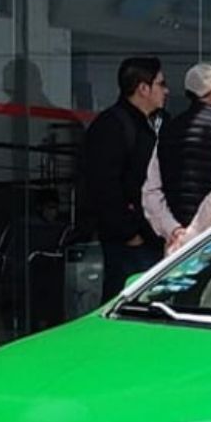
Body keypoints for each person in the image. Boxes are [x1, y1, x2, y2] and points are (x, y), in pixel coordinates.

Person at [79, 56, 168, 299]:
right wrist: (130, 233)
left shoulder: (150, 124)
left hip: (151, 236)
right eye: (161, 84)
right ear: (143, 88)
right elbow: (103, 185)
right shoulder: (113, 126)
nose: (166, 91)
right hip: (129, 241)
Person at [144, 62, 211, 255]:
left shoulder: (169, 131)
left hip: (174, 246)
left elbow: (150, 191)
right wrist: (194, 234)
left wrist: (173, 230)